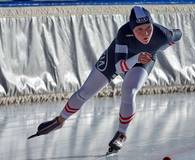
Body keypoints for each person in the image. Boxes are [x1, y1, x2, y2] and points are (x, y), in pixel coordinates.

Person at [28, 5, 182, 154]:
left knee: (130, 91)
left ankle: (121, 134)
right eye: (139, 30)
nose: (145, 33)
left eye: (148, 27)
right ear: (131, 29)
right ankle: (60, 120)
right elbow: (119, 68)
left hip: (143, 60)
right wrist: (137, 57)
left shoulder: (163, 34)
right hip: (116, 59)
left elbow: (178, 34)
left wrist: (157, 49)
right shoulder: (124, 32)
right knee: (85, 92)